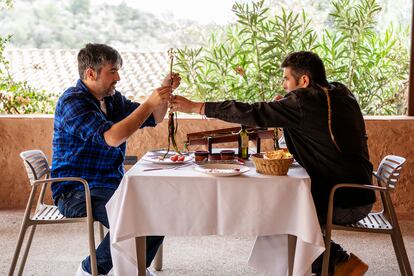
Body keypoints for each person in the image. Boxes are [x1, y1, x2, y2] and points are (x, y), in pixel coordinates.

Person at [170, 51, 376, 275]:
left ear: (304, 81)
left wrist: (196, 107)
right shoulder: (338, 92)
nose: (284, 85)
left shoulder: (304, 102)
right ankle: (330, 263)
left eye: (287, 78)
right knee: (284, 205)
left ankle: (340, 262)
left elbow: (252, 112)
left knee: (281, 210)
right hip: (360, 192)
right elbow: (314, 124)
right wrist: (286, 110)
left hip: (344, 199)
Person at [51, 43, 180, 276]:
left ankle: (134, 268)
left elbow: (155, 117)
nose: (118, 77)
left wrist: (162, 92)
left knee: (159, 211)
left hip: (109, 185)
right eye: (113, 71)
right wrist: (149, 102)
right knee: (135, 216)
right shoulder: (72, 102)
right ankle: (90, 270)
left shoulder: (111, 99)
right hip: (76, 190)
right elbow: (113, 138)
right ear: (91, 73)